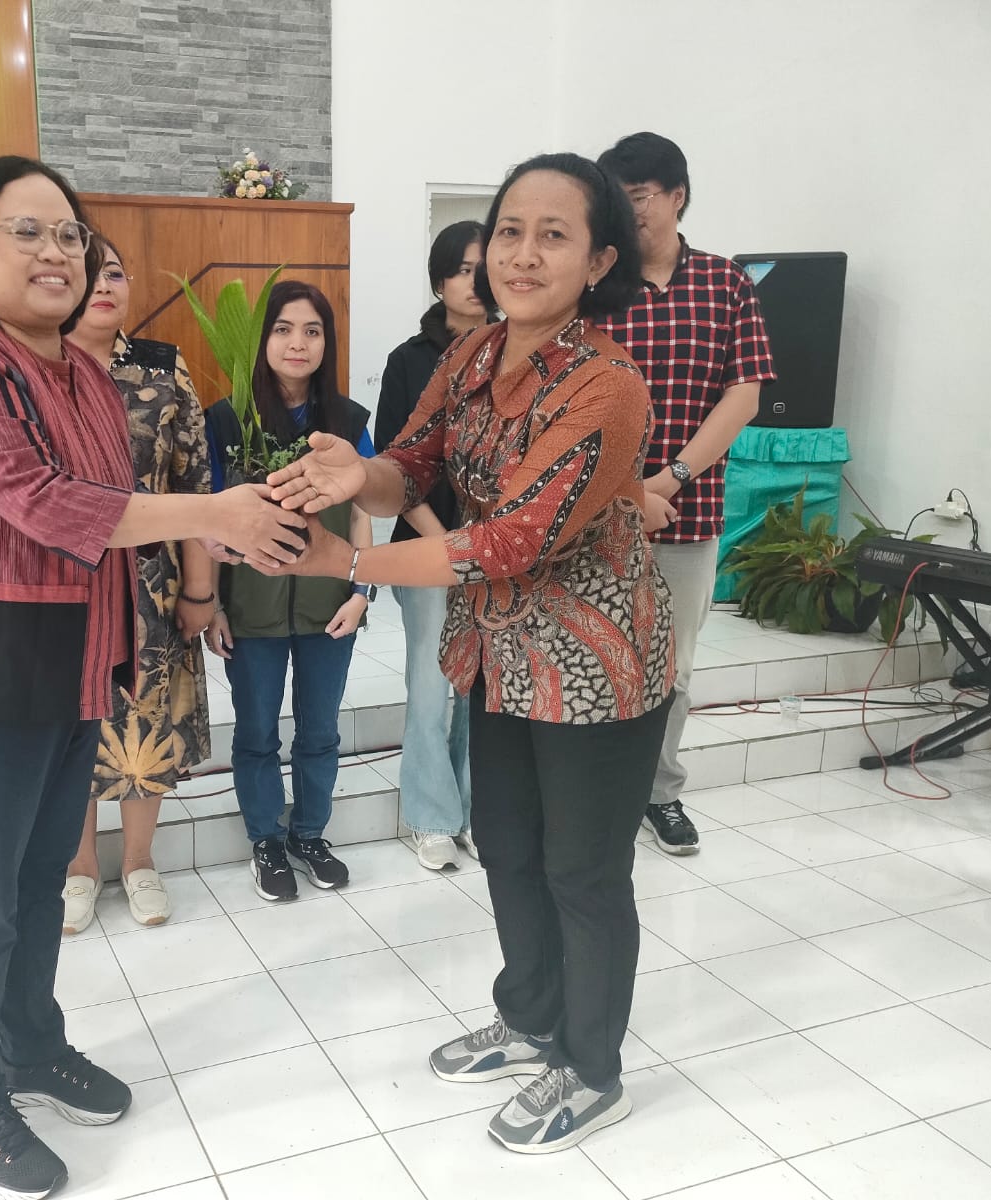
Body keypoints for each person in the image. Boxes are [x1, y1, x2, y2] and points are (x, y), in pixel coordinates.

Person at [0, 155, 305, 1200]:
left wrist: (222, 537)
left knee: (40, 885)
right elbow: (42, 501)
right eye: (26, 231)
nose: (56, 252)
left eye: (69, 234)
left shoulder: (85, 374)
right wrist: (212, 512)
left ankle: (31, 1048)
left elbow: (122, 515)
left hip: (72, 665)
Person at [264, 153, 674, 1154]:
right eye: (508, 232)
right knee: (509, 846)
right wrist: (353, 474)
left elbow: (509, 541)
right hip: (500, 651)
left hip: (598, 666)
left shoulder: (608, 387)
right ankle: (530, 1019)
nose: (522, 255)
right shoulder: (474, 353)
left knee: (581, 871)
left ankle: (593, 1068)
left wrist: (351, 560)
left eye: (553, 235)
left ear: (599, 260)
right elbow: (412, 464)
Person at [595, 133, 776, 856]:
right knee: (595, 654)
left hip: (688, 511)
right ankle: (595, 791)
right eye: (617, 199)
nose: (628, 210)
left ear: (676, 196)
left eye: (638, 197)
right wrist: (623, 489)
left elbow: (745, 395)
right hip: (595, 514)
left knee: (671, 666)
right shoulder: (597, 287)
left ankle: (658, 792)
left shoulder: (725, 284)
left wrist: (670, 477)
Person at [62, 234, 216, 933]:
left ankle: (139, 861)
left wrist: (200, 591)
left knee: (144, 714)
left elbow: (196, 482)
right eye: (91, 273)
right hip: (64, 580)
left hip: (152, 583)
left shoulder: (161, 365)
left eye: (117, 273)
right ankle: (78, 866)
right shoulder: (36, 365)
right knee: (70, 721)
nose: (105, 285)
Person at [202, 281, 375, 902]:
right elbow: (207, 518)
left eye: (312, 330)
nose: (297, 343)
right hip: (251, 607)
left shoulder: (348, 421)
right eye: (282, 329)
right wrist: (213, 604)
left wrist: (362, 589)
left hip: (330, 604)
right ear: (260, 340)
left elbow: (364, 509)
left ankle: (309, 834)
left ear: (328, 343)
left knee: (320, 730)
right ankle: (265, 840)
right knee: (256, 732)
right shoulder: (227, 420)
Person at [373, 220, 490, 871]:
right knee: (431, 681)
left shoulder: (521, 351)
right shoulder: (410, 360)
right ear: (440, 279)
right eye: (463, 268)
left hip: (499, 549)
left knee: (483, 686)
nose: (477, 280)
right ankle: (430, 816)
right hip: (426, 546)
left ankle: (472, 809)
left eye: (485, 266)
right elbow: (394, 466)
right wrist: (447, 544)